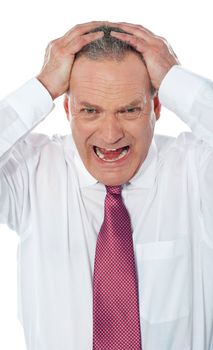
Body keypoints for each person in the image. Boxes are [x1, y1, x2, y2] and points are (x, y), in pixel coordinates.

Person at [0, 20, 213, 350]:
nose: (111, 134)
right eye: (90, 110)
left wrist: (175, 81)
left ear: (156, 107)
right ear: (68, 109)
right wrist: (41, 88)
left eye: (129, 110)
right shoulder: (30, 171)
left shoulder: (194, 171)